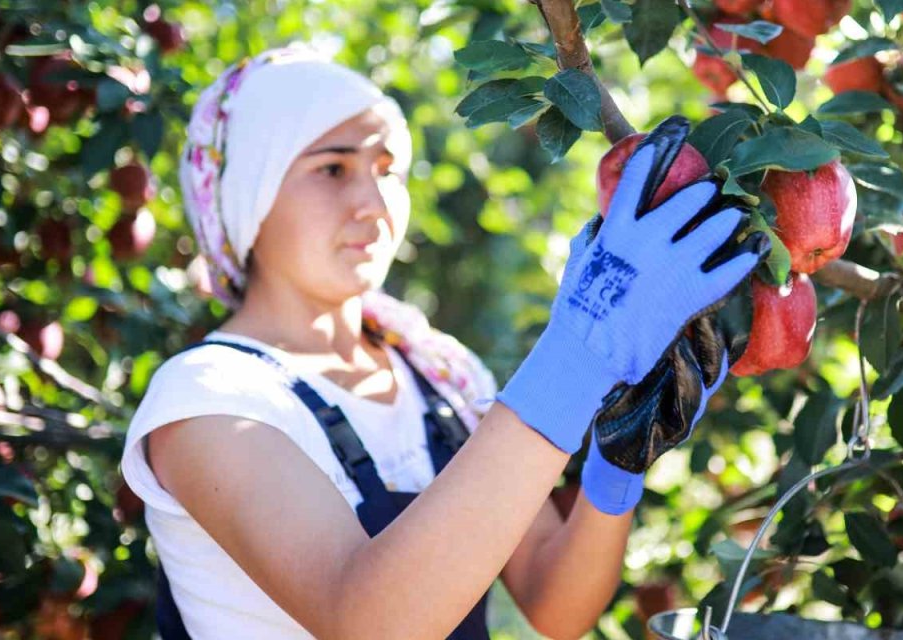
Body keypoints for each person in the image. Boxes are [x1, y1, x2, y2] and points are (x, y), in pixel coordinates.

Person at [119, 44, 768, 639]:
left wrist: (616, 466)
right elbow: (368, 619)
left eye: (386, 168)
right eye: (333, 169)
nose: (373, 203)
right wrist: (576, 353)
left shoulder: (439, 375)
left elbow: (554, 601)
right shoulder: (207, 398)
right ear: (248, 196)